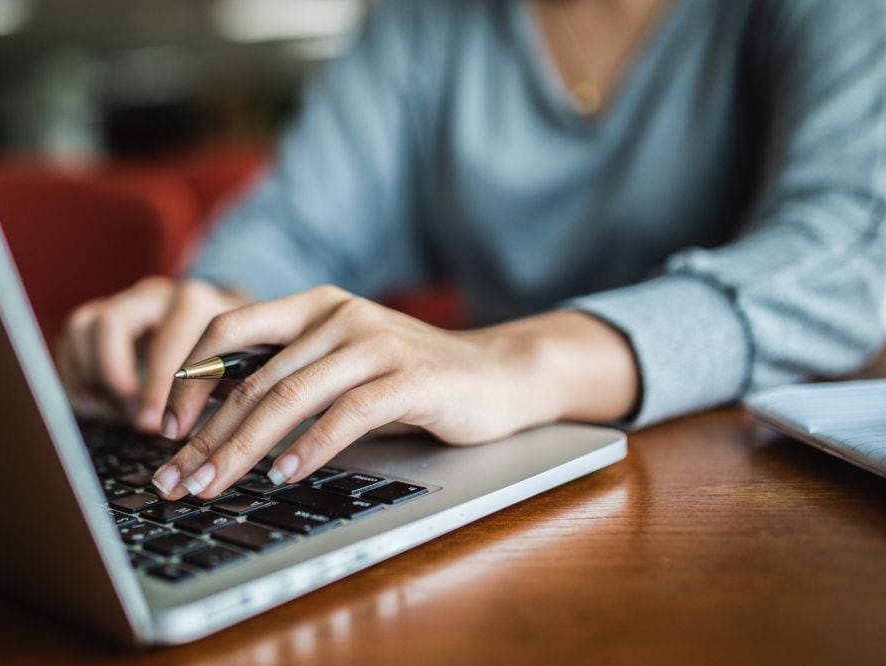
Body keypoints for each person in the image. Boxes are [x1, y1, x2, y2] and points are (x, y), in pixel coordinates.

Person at [59, 0, 886, 501]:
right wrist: (217, 307)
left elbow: (843, 257)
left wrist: (516, 361)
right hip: (490, 471)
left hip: (742, 475)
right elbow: (301, 221)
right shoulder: (427, 19)